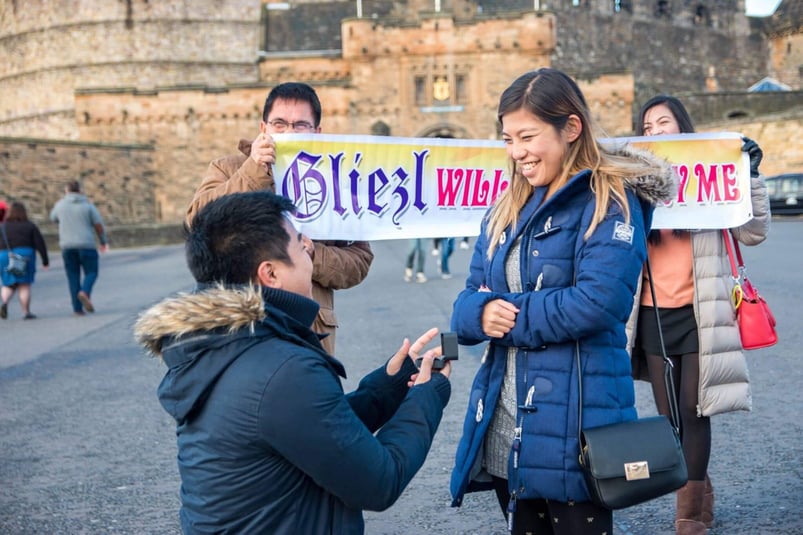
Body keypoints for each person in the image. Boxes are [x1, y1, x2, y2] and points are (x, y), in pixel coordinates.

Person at [134, 190, 451, 534]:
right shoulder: (281, 367)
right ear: (270, 273)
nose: (310, 254)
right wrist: (426, 397)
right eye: (301, 247)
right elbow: (379, 482)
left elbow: (314, 433)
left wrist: (388, 386)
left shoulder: (228, 342)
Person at [448, 68, 675, 534]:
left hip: (577, 429)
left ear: (571, 128)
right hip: (506, 427)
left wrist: (504, 314)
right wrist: (478, 313)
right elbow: (466, 301)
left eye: (527, 136)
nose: (517, 153)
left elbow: (599, 302)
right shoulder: (505, 208)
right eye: (508, 138)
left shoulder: (611, 200)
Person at [633, 95, 770, 534]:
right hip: (653, 315)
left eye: (663, 123)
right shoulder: (635, 181)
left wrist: (749, 173)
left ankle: (688, 515)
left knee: (694, 411)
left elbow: (754, 232)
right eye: (647, 126)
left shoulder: (709, 177)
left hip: (701, 313)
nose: (655, 132)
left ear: (684, 128)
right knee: (669, 418)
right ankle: (700, 488)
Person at [186, 82, 373, 355]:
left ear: (317, 132)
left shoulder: (337, 182)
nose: (288, 132)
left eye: (300, 125)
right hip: (240, 322)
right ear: (264, 128)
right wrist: (253, 170)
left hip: (310, 327)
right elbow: (197, 222)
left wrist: (313, 254)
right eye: (279, 123)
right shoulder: (227, 168)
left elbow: (359, 261)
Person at [49, 180, 108, 316]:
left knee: (73, 276)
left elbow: (53, 218)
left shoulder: (60, 205)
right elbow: (98, 225)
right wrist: (103, 241)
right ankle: (85, 291)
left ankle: (77, 309)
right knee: (92, 272)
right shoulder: (88, 205)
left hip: (67, 245)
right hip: (86, 244)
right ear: (80, 190)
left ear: (67, 190)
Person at [1, 202, 49, 320]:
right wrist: (45, 261)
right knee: (24, 284)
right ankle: (26, 312)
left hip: (4, 256)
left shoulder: (2, 227)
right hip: (24, 255)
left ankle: (5, 302)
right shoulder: (30, 226)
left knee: (8, 283)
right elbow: (40, 244)